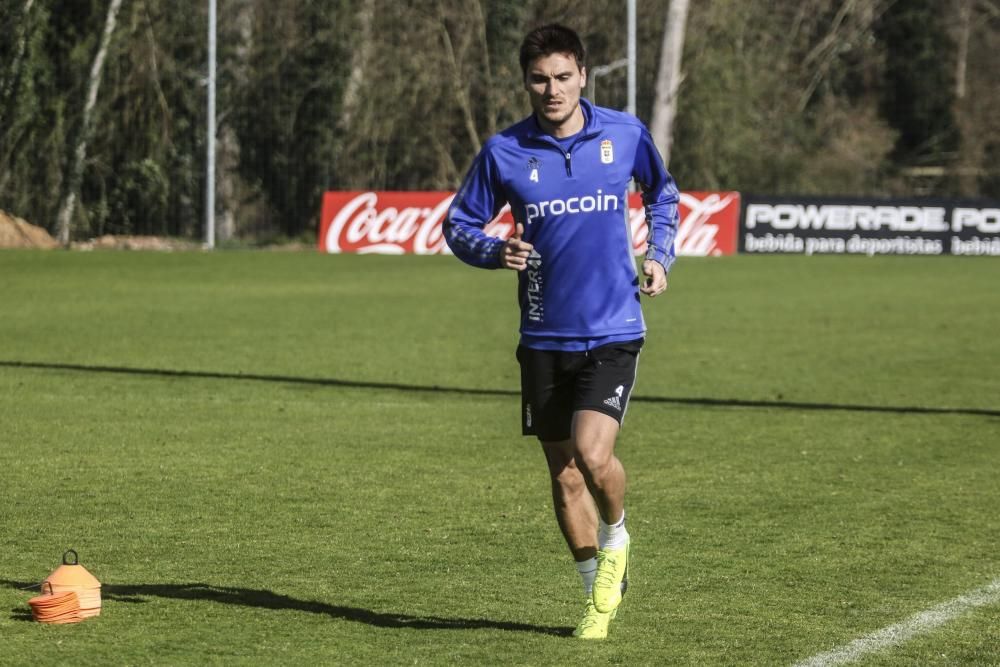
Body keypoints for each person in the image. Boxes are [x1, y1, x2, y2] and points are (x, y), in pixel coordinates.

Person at [444, 23, 679, 640]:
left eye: (562, 77)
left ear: (583, 75)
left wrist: (659, 255)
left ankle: (618, 538)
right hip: (544, 337)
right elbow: (460, 224)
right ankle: (595, 595)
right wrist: (495, 253)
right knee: (563, 472)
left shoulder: (624, 134)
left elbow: (663, 194)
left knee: (594, 457)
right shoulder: (504, 151)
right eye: (539, 79)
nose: (551, 89)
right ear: (527, 82)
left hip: (613, 329)